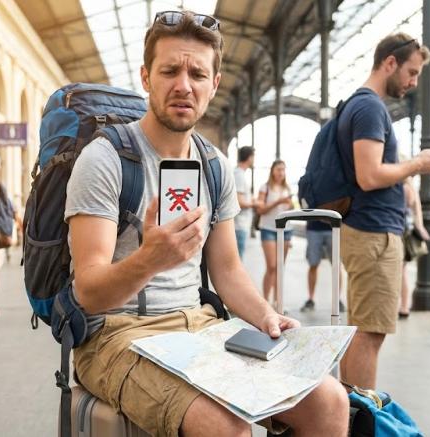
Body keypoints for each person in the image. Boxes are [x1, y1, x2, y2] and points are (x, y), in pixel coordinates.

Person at [65, 11, 348, 437]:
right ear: (146, 77)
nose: (184, 85)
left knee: (330, 401)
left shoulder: (214, 166)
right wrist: (148, 259)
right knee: (226, 426)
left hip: (199, 324)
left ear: (214, 84)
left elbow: (228, 270)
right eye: (170, 71)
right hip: (116, 333)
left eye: (197, 73)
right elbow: (88, 293)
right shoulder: (105, 159)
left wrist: (267, 316)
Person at [337, 33, 430, 390]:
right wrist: (418, 164)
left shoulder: (358, 104)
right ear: (390, 63)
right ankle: (364, 415)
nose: (413, 82)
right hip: (374, 232)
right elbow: (369, 176)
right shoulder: (370, 108)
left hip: (366, 230)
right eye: (411, 72)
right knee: (370, 334)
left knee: (361, 329)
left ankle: (349, 410)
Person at [255, 160, 293, 305]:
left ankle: (278, 302)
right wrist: (278, 202)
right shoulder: (265, 188)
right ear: (272, 171)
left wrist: (289, 205)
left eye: (283, 169)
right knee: (271, 266)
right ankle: (265, 301)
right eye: (278, 169)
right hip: (268, 229)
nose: (281, 172)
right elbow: (260, 210)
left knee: (280, 267)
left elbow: (290, 209)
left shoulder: (287, 188)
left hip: (286, 230)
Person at [398, 176, 429, 319]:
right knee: (402, 272)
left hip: (398, 233)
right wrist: (420, 227)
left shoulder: (401, 187)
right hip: (406, 232)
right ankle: (404, 306)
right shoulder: (411, 188)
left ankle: (401, 305)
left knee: (396, 272)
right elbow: (417, 211)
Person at [233, 146, 255, 260]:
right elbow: (239, 202)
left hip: (241, 224)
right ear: (250, 157)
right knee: (238, 259)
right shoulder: (239, 175)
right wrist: (256, 204)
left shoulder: (238, 173)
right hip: (239, 224)